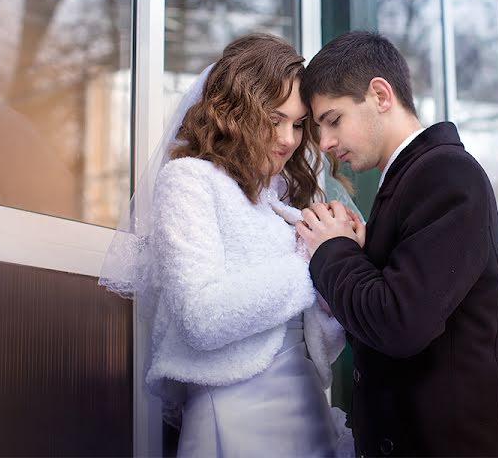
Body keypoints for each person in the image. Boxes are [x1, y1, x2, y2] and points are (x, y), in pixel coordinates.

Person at [99, 33, 354, 457]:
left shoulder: (283, 204)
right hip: (235, 414)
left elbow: (320, 344)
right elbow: (202, 317)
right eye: (274, 120)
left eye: (296, 124)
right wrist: (314, 262)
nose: (289, 139)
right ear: (237, 110)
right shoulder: (189, 182)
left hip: (307, 406)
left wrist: (338, 264)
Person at [296, 31, 498, 457]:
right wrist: (363, 258)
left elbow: (399, 323)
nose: (324, 143)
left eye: (333, 120)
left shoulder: (447, 175)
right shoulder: (408, 183)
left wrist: (332, 249)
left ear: (380, 95)